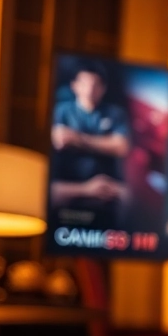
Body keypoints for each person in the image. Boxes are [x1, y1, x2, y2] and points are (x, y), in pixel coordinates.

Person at [49, 62, 131, 224]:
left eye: (95, 85)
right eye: (85, 84)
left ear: (103, 88)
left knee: (132, 198)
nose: (90, 90)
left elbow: (121, 147)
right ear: (74, 86)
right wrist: (103, 144)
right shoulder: (61, 111)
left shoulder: (115, 113)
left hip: (108, 183)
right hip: (69, 183)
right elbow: (60, 140)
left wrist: (78, 139)